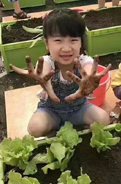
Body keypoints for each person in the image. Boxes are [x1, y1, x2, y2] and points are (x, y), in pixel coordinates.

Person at [10, 9, 111, 137]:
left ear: (81, 42)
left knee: (104, 119)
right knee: (34, 128)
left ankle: (77, 129)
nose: (66, 48)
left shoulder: (83, 61)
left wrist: (90, 78)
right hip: (51, 111)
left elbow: (89, 70)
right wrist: (42, 80)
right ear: (47, 43)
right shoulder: (47, 61)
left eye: (73, 40)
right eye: (58, 40)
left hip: (79, 109)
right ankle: (56, 129)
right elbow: (44, 72)